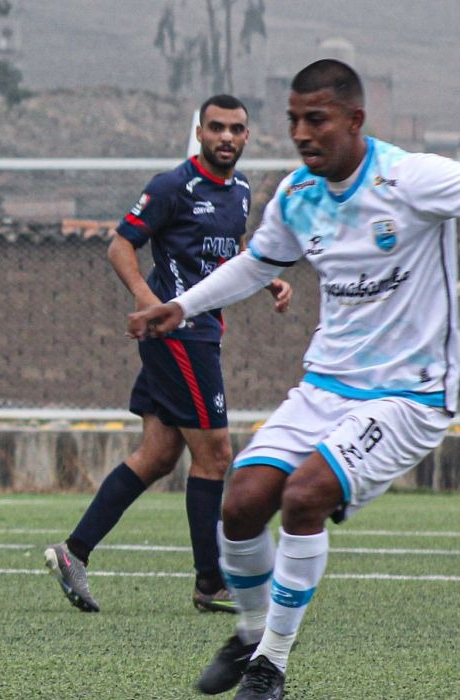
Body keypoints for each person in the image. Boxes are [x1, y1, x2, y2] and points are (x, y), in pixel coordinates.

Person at [129, 59, 460, 700]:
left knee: (304, 497)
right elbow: (259, 263)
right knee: (241, 502)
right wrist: (181, 306)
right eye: (293, 120)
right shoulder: (298, 194)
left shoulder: (412, 179)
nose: (302, 134)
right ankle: (253, 632)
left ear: (355, 120)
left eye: (317, 119)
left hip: (409, 394)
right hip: (327, 386)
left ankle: (271, 666)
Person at [45, 95, 292, 614]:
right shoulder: (171, 187)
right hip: (182, 335)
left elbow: (231, 252)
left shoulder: (241, 190)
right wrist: (147, 299)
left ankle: (74, 552)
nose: (227, 137)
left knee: (158, 455)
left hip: (202, 331)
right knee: (216, 455)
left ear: (247, 137)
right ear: (200, 132)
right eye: (217, 127)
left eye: (237, 129)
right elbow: (119, 245)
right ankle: (210, 582)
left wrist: (268, 280)